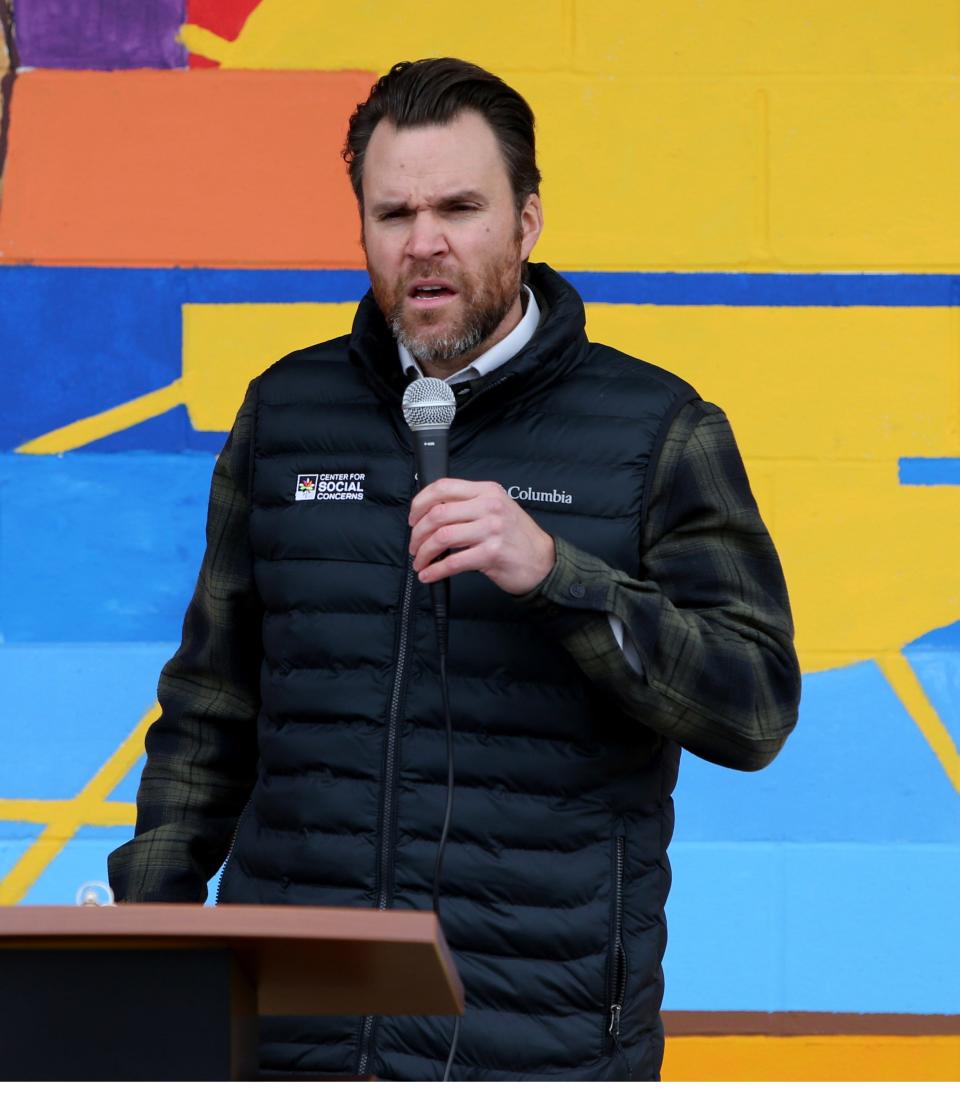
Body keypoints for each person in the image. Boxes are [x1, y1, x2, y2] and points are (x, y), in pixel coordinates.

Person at [109, 58, 801, 1081]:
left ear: (527, 221)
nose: (423, 242)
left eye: (459, 207)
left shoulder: (659, 429)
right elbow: (213, 709)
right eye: (394, 212)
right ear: (362, 232)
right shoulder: (286, 415)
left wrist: (560, 576)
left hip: (541, 1038)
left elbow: (754, 708)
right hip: (293, 1035)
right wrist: (145, 944)